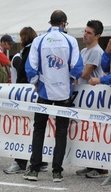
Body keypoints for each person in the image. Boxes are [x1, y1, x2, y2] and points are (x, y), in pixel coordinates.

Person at [24, 10, 84, 182]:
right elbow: (77, 66)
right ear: (64, 23)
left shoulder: (39, 40)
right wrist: (70, 79)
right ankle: (57, 171)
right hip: (64, 92)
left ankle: (34, 169)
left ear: (50, 22)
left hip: (44, 91)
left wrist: (36, 82)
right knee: (61, 131)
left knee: (39, 130)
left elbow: (30, 67)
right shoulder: (70, 40)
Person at [3, 27, 48, 174]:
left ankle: (20, 162)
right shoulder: (39, 51)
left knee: (23, 129)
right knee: (37, 129)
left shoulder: (21, 55)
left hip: (24, 94)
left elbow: (24, 74)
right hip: (39, 93)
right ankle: (40, 161)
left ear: (23, 38)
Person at [74, 20, 108, 178]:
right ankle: (90, 164)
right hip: (84, 97)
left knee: (95, 131)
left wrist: (73, 71)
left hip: (94, 98)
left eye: (89, 33)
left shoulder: (96, 51)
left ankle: (101, 168)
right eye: (85, 31)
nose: (85, 35)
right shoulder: (83, 51)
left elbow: (84, 73)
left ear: (97, 36)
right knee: (86, 131)